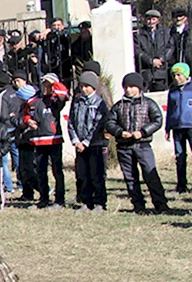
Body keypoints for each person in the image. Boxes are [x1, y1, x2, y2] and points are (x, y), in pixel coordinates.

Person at [106, 72, 169, 214]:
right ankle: (138, 205)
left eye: (132, 86)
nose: (129, 90)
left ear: (139, 88)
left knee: (150, 175)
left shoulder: (148, 104)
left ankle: (161, 205)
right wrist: (120, 132)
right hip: (124, 147)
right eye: (126, 87)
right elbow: (109, 122)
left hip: (143, 145)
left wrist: (143, 132)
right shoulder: (119, 106)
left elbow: (157, 120)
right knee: (130, 178)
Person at [68, 71, 109, 212]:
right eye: (82, 86)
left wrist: (86, 142)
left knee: (96, 174)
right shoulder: (77, 102)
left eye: (87, 86)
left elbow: (98, 124)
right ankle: (86, 201)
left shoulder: (99, 103)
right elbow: (71, 122)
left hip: (94, 144)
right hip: (80, 145)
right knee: (83, 174)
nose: (84, 89)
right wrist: (76, 141)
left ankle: (100, 202)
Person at [28, 74, 69, 209]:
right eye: (44, 84)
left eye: (48, 85)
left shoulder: (55, 100)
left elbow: (64, 94)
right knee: (40, 171)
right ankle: (43, 199)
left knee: (57, 171)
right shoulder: (34, 99)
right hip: (39, 140)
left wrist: (54, 83)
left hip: (54, 140)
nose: (46, 87)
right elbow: (26, 113)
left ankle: (59, 200)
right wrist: (28, 121)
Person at [11, 73, 40, 203]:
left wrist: (14, 119)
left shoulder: (32, 108)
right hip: (21, 141)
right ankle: (27, 193)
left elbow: (23, 122)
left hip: (29, 141)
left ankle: (42, 189)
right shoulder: (23, 107)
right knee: (22, 169)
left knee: (29, 169)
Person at [0, 68, 20, 193]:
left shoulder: (2, 96)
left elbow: (3, 115)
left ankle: (8, 185)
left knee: (2, 159)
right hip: (16, 127)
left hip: (6, 129)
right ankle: (21, 183)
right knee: (17, 156)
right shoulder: (15, 91)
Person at [166, 63, 192, 193]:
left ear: (186, 74)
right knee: (180, 156)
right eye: (174, 75)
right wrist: (167, 128)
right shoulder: (172, 89)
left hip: (191, 126)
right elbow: (170, 110)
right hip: (177, 127)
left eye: (179, 75)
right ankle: (181, 185)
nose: (176, 78)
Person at [135, 9, 174, 92]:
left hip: (161, 70)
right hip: (146, 70)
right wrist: (150, 61)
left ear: (158, 20)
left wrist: (161, 59)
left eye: (153, 19)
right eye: (148, 19)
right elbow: (138, 50)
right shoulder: (139, 34)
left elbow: (170, 47)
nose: (151, 22)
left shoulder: (166, 32)